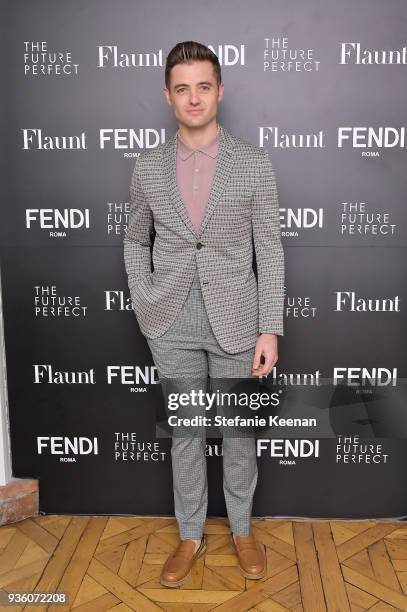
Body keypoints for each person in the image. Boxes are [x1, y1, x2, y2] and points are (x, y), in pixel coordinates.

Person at [123, 40, 285, 588]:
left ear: (221, 91)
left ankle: (242, 529)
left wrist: (269, 327)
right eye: (182, 88)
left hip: (237, 318)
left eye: (204, 86)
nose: (194, 98)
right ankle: (190, 534)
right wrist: (146, 303)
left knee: (240, 433)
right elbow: (133, 240)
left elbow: (271, 247)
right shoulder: (147, 167)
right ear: (168, 97)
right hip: (170, 321)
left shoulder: (253, 162)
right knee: (188, 433)